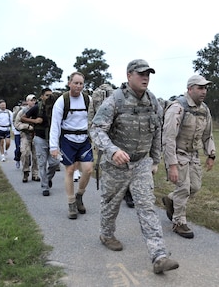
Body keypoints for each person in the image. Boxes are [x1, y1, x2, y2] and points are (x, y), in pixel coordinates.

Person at [89, 59, 179, 274]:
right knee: (111, 206)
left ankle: (159, 255)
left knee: (147, 207)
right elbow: (96, 130)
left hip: (140, 165)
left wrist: (155, 160)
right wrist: (112, 150)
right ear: (129, 75)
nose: (145, 77)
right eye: (141, 74)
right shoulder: (114, 101)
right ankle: (107, 234)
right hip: (115, 166)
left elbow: (156, 131)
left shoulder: (153, 102)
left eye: (148, 74)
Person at [162, 75, 216, 239]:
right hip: (178, 154)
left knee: (195, 187)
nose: (203, 91)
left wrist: (211, 154)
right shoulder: (177, 108)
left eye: (205, 88)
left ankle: (171, 199)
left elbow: (208, 134)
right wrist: (172, 164)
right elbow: (168, 138)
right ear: (190, 89)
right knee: (183, 188)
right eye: (200, 88)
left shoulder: (204, 110)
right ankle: (179, 222)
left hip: (193, 154)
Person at [50, 72, 93, 219]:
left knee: (88, 169)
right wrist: (53, 146)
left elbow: (94, 119)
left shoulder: (88, 100)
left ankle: (79, 195)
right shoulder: (62, 101)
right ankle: (71, 203)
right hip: (67, 140)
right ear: (69, 83)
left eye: (81, 83)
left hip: (84, 139)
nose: (78, 86)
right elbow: (55, 125)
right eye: (76, 83)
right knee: (69, 171)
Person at [21, 88, 60, 196]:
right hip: (40, 139)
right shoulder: (36, 108)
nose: (49, 97)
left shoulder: (56, 108)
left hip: (53, 140)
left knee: (55, 163)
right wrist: (34, 121)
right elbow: (23, 118)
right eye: (47, 95)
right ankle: (45, 187)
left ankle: (47, 178)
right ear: (42, 96)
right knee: (42, 164)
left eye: (51, 95)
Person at [14, 94, 40, 183]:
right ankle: (25, 172)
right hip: (25, 134)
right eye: (31, 100)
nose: (33, 102)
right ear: (27, 101)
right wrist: (27, 126)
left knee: (36, 155)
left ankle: (35, 174)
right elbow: (16, 124)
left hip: (36, 135)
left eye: (34, 100)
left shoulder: (38, 110)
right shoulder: (22, 112)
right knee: (25, 153)